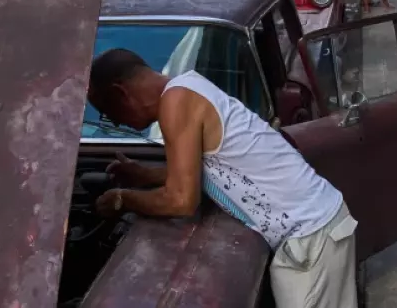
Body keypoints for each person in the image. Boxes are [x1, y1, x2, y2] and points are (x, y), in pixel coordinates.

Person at [88, 49, 358, 308]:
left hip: (312, 235)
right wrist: (143, 175)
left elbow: (181, 200)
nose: (116, 124)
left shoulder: (176, 102)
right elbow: (208, 172)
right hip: (314, 230)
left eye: (107, 114)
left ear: (119, 93)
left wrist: (123, 199)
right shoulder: (188, 86)